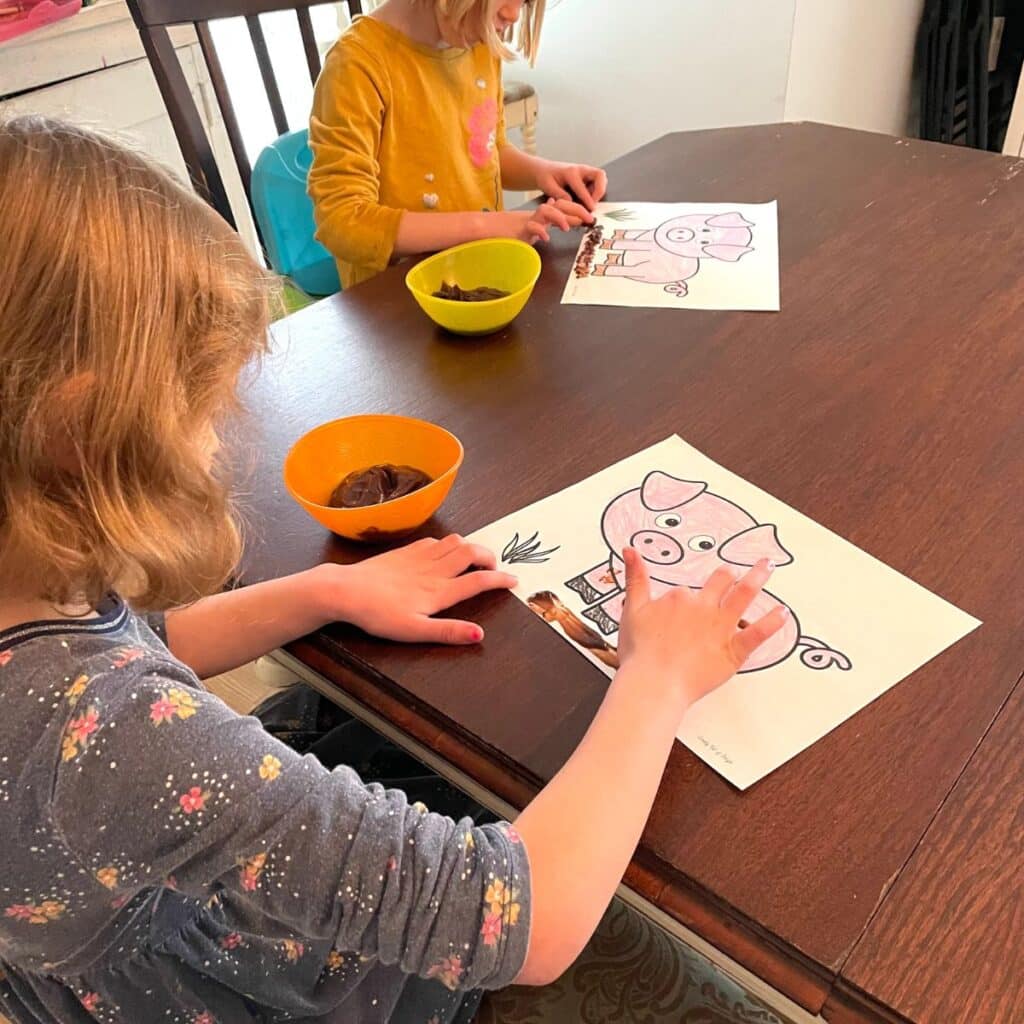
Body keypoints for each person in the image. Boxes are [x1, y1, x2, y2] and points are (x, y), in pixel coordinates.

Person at [0, 116, 787, 1024]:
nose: (220, 437)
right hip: (256, 991)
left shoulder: (32, 576)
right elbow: (528, 921)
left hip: (92, 923)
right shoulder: (103, 738)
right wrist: (658, 674)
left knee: (376, 735)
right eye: (203, 408)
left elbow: (139, 640)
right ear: (81, 428)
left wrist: (325, 589)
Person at [309, 0, 609, 288]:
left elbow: (488, 150)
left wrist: (544, 172)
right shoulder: (355, 64)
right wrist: (492, 227)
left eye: (527, 1)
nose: (514, 14)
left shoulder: (478, 40)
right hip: (398, 306)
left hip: (481, 280)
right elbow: (343, 220)